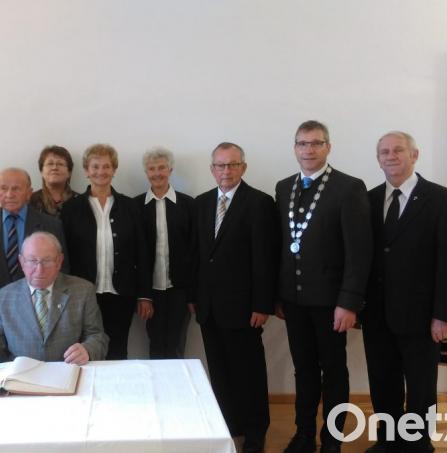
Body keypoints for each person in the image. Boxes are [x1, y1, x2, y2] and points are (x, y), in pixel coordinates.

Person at [362, 131, 447, 453]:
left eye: (398, 150)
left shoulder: (443, 200)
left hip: (422, 315)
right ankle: (388, 439)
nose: (390, 156)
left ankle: (418, 442)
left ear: (414, 155)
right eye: (384, 152)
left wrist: (443, 314)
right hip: (377, 312)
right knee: (383, 380)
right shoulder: (368, 199)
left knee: (420, 385)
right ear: (378, 159)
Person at [275, 121, 372, 453]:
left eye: (316, 143)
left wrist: (349, 302)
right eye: (302, 144)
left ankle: (332, 438)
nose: (309, 150)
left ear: (328, 147)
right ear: (295, 148)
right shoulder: (284, 187)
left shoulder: (349, 187)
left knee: (333, 370)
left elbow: (359, 253)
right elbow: (283, 245)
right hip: (294, 299)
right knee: (303, 368)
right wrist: (279, 295)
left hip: (332, 302)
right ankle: (304, 434)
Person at [194, 142, 277, 453]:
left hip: (245, 308)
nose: (225, 171)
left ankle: (256, 433)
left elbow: (264, 258)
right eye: (220, 165)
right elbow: (198, 254)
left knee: (249, 374)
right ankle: (230, 426)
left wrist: (262, 304)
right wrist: (194, 296)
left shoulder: (259, 203)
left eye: (231, 165)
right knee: (220, 372)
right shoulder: (202, 203)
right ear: (212, 168)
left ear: (243, 167)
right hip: (209, 308)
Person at [0, 231, 108, 365]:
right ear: (22, 262)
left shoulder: (82, 290)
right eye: (32, 261)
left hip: (70, 373)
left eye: (47, 260)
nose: (39, 269)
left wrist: (88, 350)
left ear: (59, 261)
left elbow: (97, 336)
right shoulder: (2, 298)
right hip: (21, 381)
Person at [60, 143, 152, 360]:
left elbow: (142, 251)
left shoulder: (130, 207)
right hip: (82, 293)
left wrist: (145, 295)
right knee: (85, 349)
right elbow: (65, 254)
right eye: (95, 166)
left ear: (114, 170)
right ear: (86, 171)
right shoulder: (71, 208)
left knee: (118, 347)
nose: (101, 171)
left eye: (106, 166)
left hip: (121, 293)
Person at [0, 168, 66, 337]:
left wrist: (44, 300)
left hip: (39, 312)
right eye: (4, 188)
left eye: (16, 188)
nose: (9, 194)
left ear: (29, 192)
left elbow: (61, 268)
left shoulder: (51, 225)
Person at [133, 147, 196, 359]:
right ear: (146, 172)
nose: (157, 173)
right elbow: (135, 256)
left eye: (162, 168)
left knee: (177, 344)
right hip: (150, 291)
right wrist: (143, 295)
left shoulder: (189, 205)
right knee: (156, 344)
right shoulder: (135, 206)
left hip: (180, 290)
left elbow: (195, 251)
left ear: (170, 170)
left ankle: (178, 390)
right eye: (152, 169)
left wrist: (193, 294)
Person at [29, 145, 77, 217]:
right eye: (50, 164)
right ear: (41, 171)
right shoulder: (30, 200)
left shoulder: (80, 201)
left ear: (69, 173)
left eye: (60, 164)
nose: (54, 168)